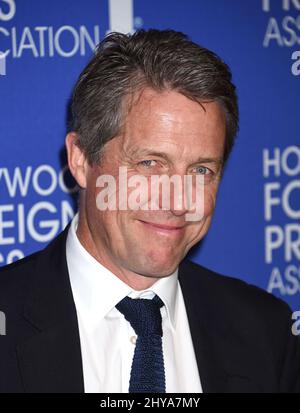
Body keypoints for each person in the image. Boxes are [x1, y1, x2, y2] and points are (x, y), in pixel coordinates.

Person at [0, 29, 299, 393]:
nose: (177, 202)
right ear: (80, 160)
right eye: (149, 164)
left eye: (201, 170)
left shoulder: (267, 333)